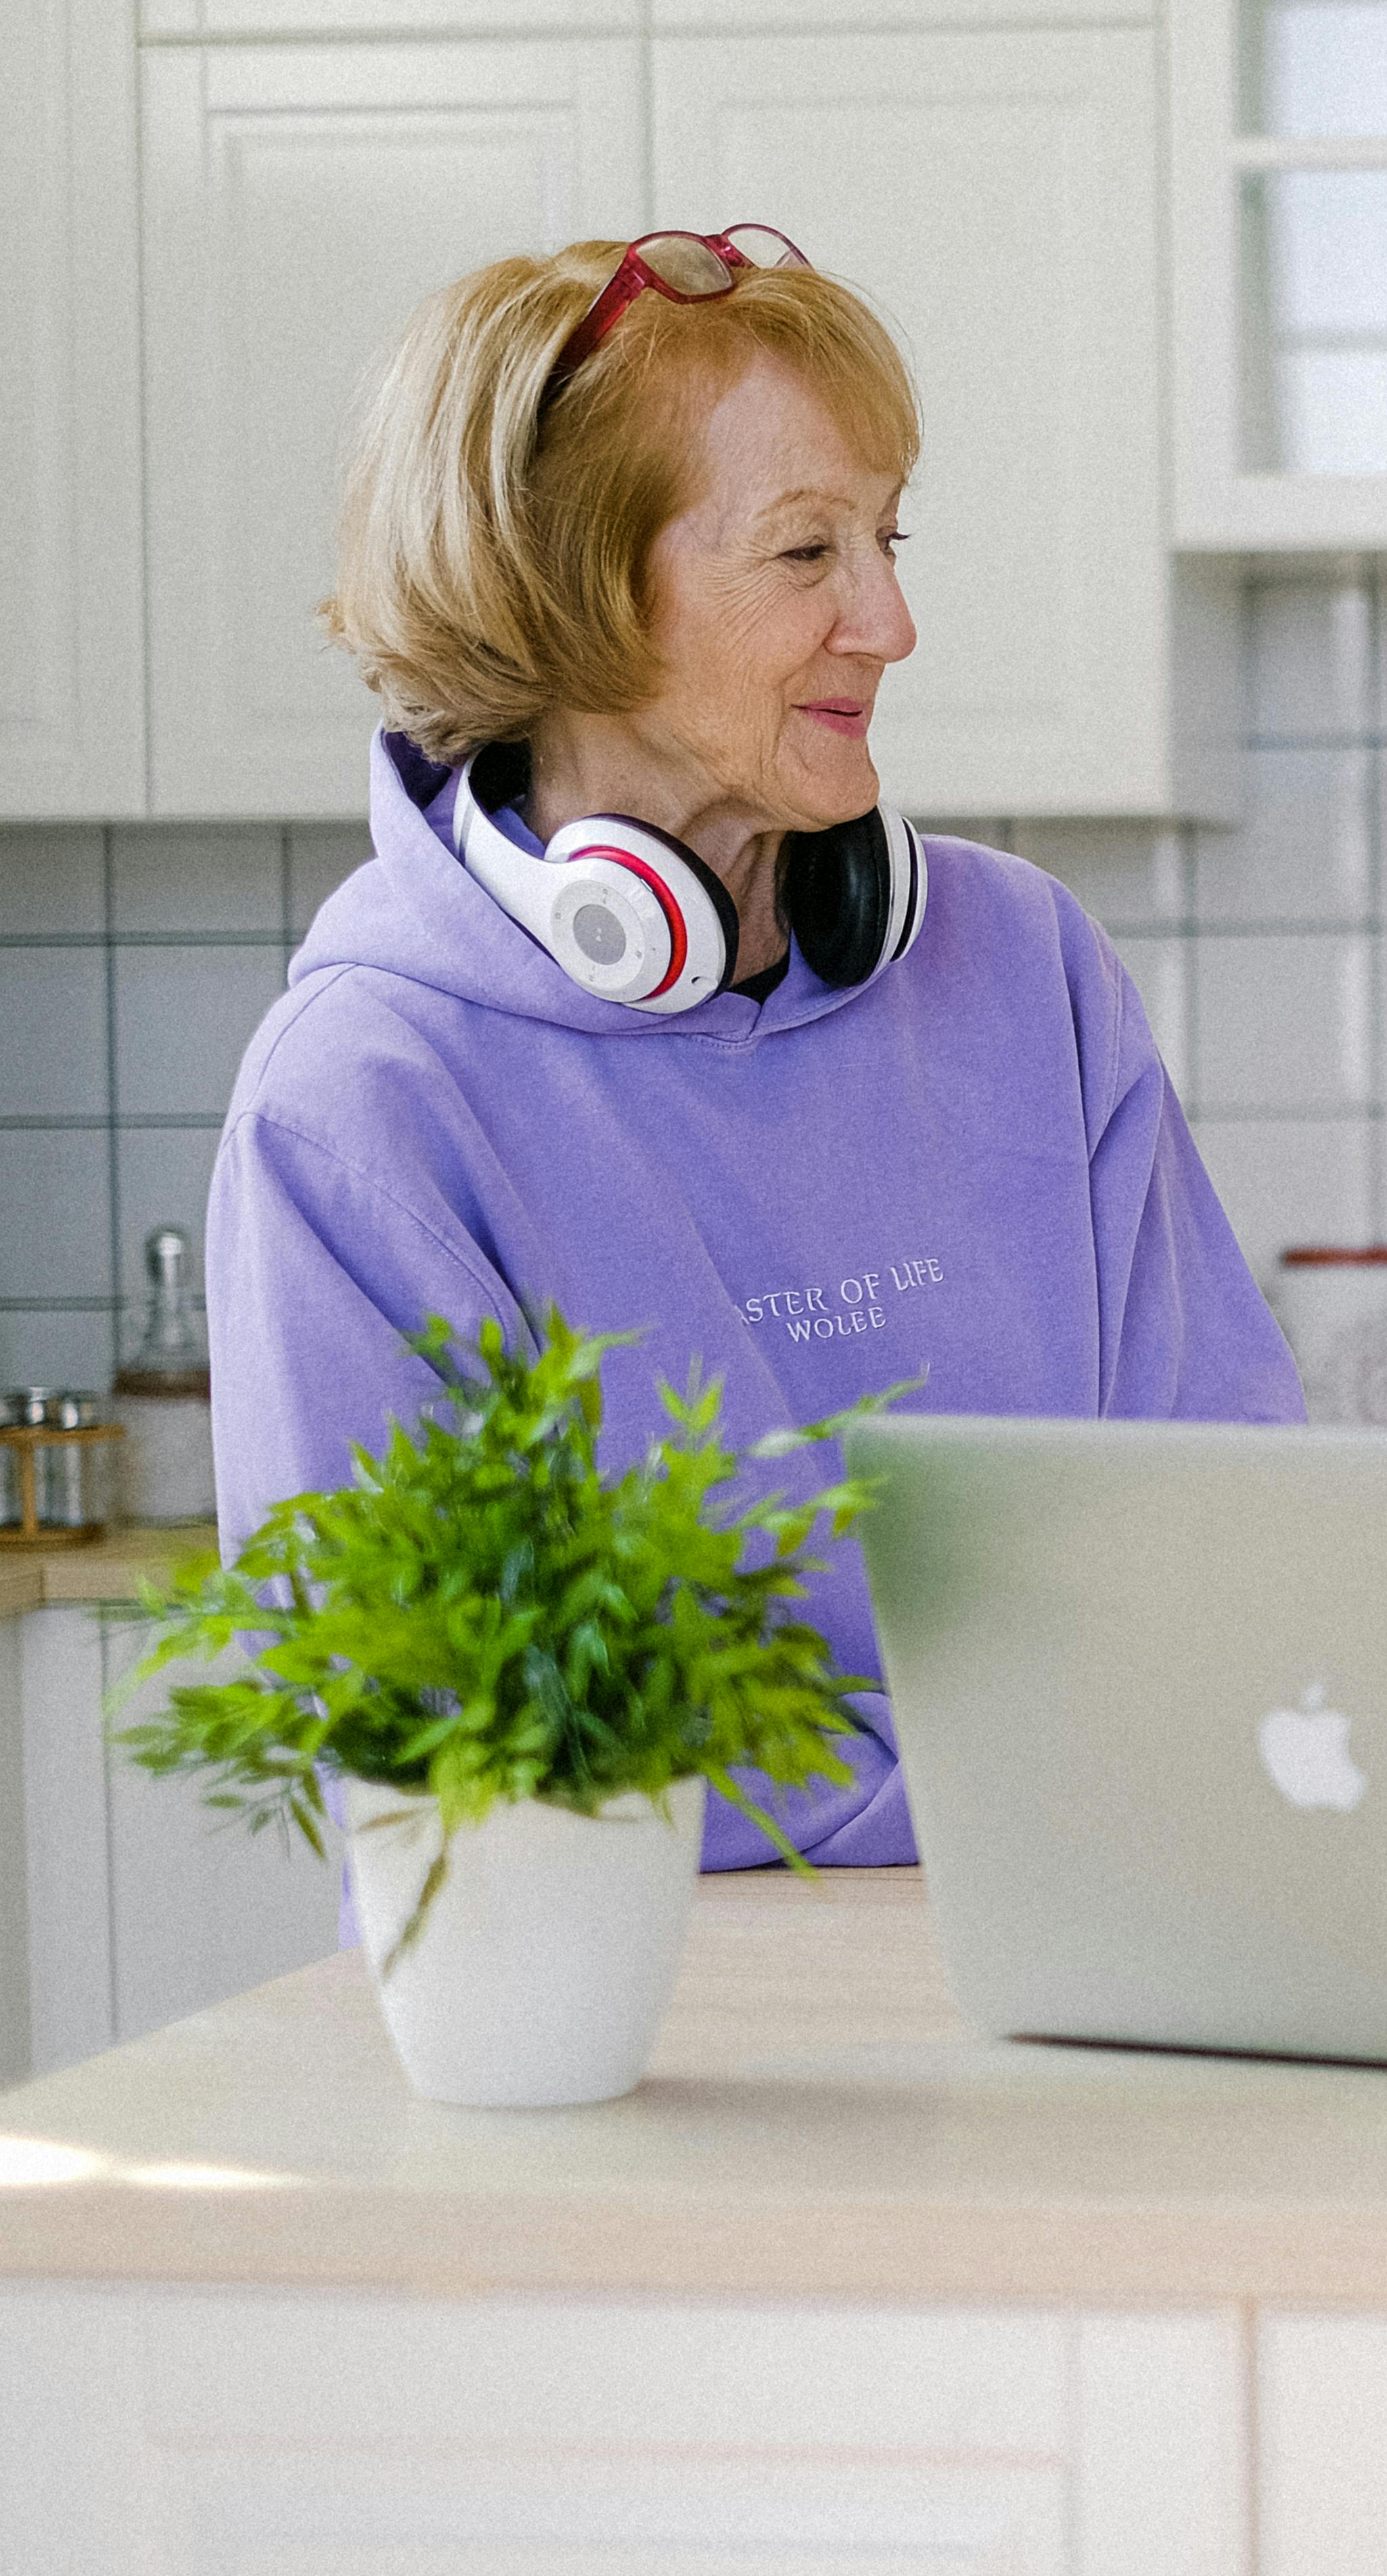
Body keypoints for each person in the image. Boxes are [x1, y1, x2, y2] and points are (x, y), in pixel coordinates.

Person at [211, 228, 1300, 1867]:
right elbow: (447, 1724)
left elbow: (1232, 1522)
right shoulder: (365, 1099)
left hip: (1099, 1950)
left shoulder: (1023, 967)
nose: (893, 621)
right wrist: (1020, 1781)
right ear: (568, 593)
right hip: (640, 2025)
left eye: (888, 538)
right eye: (808, 554)